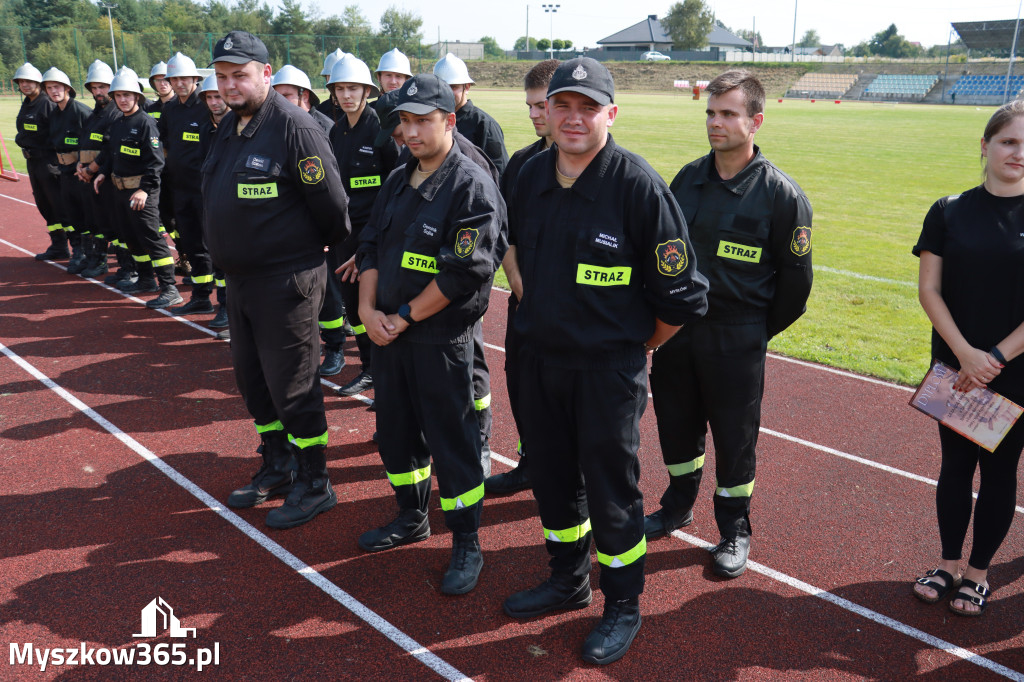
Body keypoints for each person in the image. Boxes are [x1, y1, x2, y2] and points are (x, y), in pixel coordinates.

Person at [502, 58, 708, 665]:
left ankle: (622, 601)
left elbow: (682, 296)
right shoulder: (529, 174)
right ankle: (567, 578)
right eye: (562, 105)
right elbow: (508, 244)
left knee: (613, 493)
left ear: (610, 115)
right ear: (547, 112)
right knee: (555, 481)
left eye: (587, 107)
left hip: (606, 372)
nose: (572, 118)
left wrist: (636, 348)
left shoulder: (638, 187)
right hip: (539, 361)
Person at [646, 70, 813, 580]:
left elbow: (796, 288)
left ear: (755, 121)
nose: (715, 123)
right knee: (675, 425)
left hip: (737, 335)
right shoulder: (686, 179)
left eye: (728, 114)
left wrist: (754, 332)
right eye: (710, 113)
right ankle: (677, 505)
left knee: (735, 439)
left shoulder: (783, 197)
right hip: (678, 331)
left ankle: (735, 529)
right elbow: (664, 256)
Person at [355, 74, 506, 595]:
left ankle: (466, 541)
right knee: (395, 434)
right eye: (405, 121)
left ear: (450, 121)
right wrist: (368, 308)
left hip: (439, 340)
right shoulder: (400, 176)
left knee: (452, 444)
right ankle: (410, 516)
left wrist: (405, 317)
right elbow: (371, 242)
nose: (412, 132)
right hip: (389, 334)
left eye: (423, 121)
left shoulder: (470, 183)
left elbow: (463, 271)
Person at [202, 31, 350, 528]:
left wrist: (305, 254)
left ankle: (315, 482)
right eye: (222, 76)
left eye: (239, 75)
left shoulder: (294, 128)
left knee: (294, 384)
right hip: (240, 280)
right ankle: (279, 464)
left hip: (286, 280)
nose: (229, 85)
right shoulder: (230, 124)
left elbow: (332, 207)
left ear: (266, 74)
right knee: (254, 381)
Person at [911, 100, 1024, 617]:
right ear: (985, 146)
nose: (1018, 153)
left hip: (1014, 372)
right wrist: (965, 356)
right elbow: (929, 290)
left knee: (1000, 475)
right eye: (1009, 141)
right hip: (955, 372)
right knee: (955, 467)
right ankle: (947, 563)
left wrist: (994, 358)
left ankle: (978, 573)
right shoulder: (948, 210)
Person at [485, 58, 559, 496]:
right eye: (529, 105)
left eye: (541, 105)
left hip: (576, 311)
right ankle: (530, 461)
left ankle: (573, 478)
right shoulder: (522, 163)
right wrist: (520, 288)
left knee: (571, 401)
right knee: (523, 386)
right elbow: (503, 235)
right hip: (525, 305)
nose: (533, 114)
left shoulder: (603, 165)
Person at [327, 55, 398, 395]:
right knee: (354, 305)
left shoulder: (381, 130)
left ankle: (386, 377)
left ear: (367, 90)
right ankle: (369, 369)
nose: (346, 95)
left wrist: (374, 242)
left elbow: (396, 187)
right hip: (344, 233)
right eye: (340, 89)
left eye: (353, 88)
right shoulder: (335, 130)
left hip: (375, 236)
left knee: (379, 305)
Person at [86, 67, 181, 309]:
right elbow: (112, 153)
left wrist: (144, 191)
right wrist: (103, 173)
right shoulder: (118, 123)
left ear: (137, 96)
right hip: (120, 189)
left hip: (141, 192)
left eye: (128, 95)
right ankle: (146, 279)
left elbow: (156, 162)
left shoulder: (146, 123)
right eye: (119, 95)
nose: (123, 99)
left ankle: (170, 288)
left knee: (151, 237)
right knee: (131, 236)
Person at [272, 63, 346, 375]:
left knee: (326, 293)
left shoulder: (324, 128)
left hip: (317, 227)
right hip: (286, 226)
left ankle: (335, 348)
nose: (280, 102)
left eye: (287, 95)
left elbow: (332, 186)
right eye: (276, 96)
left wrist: (328, 234)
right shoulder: (273, 127)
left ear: (306, 96)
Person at [160, 52, 217, 316]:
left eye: (184, 78)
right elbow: (164, 143)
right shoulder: (170, 108)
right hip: (179, 188)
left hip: (205, 189)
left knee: (212, 244)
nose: (180, 83)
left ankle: (226, 303)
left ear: (195, 78)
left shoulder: (207, 104)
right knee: (192, 244)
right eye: (175, 78)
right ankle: (201, 295)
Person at [12, 63, 64, 260]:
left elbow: (55, 133)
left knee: (58, 204)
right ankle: (58, 245)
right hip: (33, 161)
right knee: (44, 204)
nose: (25, 85)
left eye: (29, 81)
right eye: (21, 82)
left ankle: (78, 248)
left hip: (48, 161)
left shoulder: (47, 103)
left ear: (38, 83)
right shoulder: (27, 103)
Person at [42, 67, 92, 272]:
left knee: (86, 213)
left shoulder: (81, 112)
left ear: (67, 88)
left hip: (80, 171)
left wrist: (85, 167)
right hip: (63, 170)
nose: (54, 91)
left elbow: (92, 142)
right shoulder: (54, 114)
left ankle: (91, 254)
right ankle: (78, 251)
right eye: (49, 88)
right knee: (70, 213)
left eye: (57, 87)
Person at [73, 60, 119, 279]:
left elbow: (109, 148)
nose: (99, 91)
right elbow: (85, 144)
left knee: (105, 220)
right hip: (88, 176)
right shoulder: (95, 114)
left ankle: (102, 262)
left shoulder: (115, 113)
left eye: (103, 86)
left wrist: (91, 169)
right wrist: (80, 166)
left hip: (104, 176)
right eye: (95, 87)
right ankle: (93, 258)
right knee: (92, 218)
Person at [433, 52, 508, 173]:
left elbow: (499, 173)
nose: (447, 93)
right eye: (441, 87)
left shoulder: (485, 125)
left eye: (453, 87)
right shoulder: (431, 120)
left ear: (466, 87)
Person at [198, 73, 231, 340]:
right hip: (210, 202)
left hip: (236, 204)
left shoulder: (239, 127)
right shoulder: (203, 128)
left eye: (217, 96)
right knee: (218, 259)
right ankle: (224, 306)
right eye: (209, 97)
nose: (214, 102)